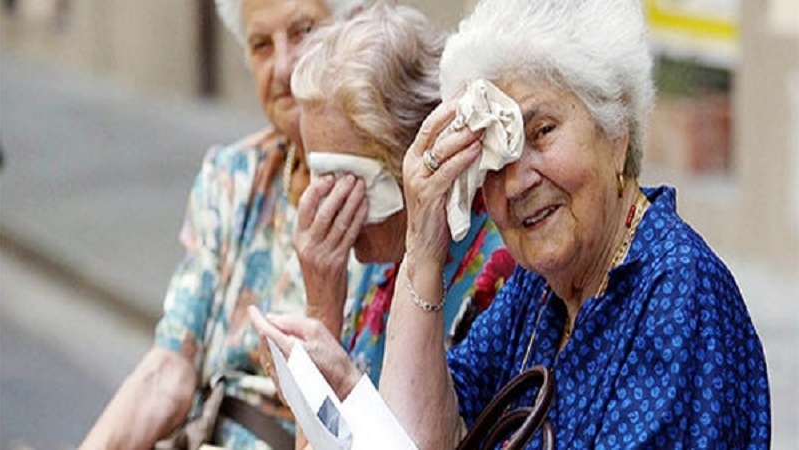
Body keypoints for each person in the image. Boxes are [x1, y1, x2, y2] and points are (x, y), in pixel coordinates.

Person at [257, 0, 772, 448]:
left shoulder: (679, 290)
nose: (517, 181)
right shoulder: (538, 291)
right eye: (494, 154)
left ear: (616, 132)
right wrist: (423, 250)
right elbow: (424, 440)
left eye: (543, 131)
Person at [80, 0, 367, 449]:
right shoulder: (233, 176)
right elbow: (169, 370)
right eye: (261, 45)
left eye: (304, 32)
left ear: (358, 30)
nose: (283, 66)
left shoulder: (387, 209)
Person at [287, 1, 514, 392]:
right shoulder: (381, 253)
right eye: (317, 176)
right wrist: (321, 312)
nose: (325, 202)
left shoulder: (498, 274)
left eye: (344, 180)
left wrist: (322, 322)